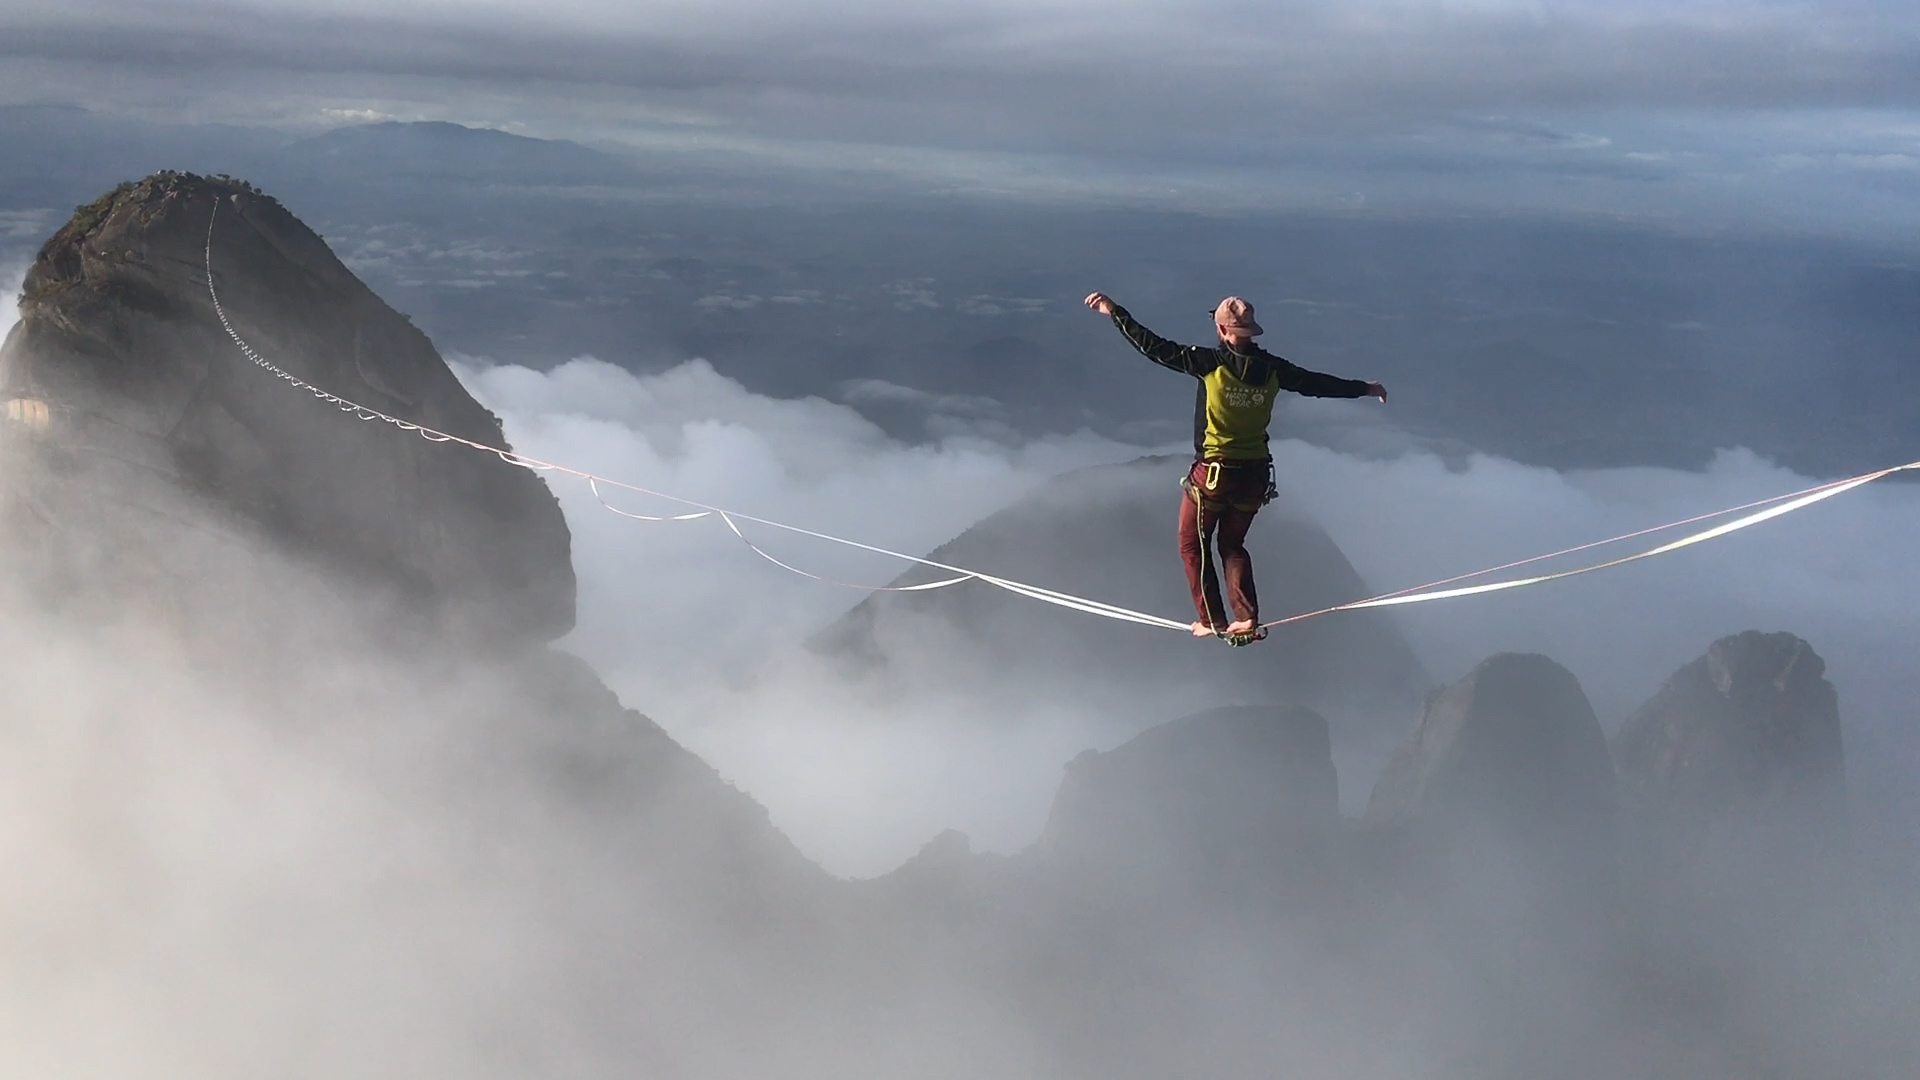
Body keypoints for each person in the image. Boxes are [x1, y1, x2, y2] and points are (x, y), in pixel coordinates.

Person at [1084, 292, 1386, 643]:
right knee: (1232, 545)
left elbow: (1152, 346)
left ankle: (1211, 619)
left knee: (1192, 543)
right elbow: (1317, 384)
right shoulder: (1274, 370)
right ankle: (1245, 617)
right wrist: (1365, 388)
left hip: (1214, 473)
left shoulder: (1208, 363)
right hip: (1254, 476)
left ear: (1224, 332)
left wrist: (1114, 311)